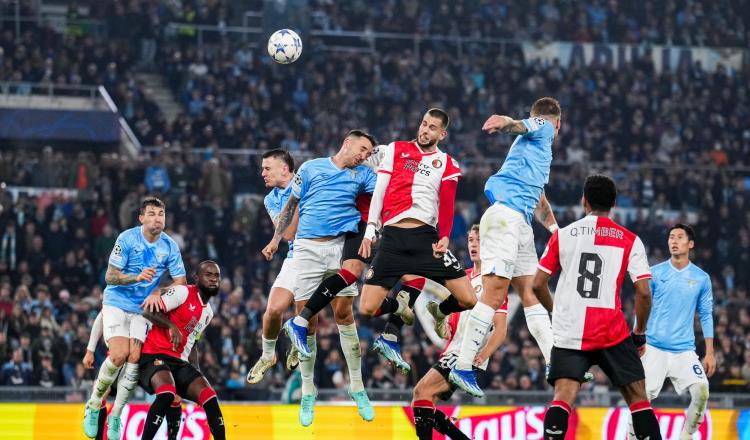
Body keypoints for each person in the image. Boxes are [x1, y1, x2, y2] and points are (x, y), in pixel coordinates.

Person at [446, 97, 561, 397]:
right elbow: (521, 124)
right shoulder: (545, 128)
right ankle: (463, 365)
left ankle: (554, 361)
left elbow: (539, 201)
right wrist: (505, 121)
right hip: (504, 217)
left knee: (531, 292)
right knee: (495, 295)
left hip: (519, 221)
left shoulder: (533, 161)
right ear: (557, 123)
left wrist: (555, 231)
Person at [532, 174, 661, 440]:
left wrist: (557, 312)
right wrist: (639, 332)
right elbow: (644, 293)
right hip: (611, 331)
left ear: (584, 201)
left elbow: (537, 284)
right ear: (613, 202)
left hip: (571, 332)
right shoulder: (630, 240)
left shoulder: (563, 236)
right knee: (638, 398)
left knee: (563, 397)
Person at [263, 130, 377, 426]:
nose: (365, 155)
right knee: (307, 321)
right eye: (363, 149)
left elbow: (385, 191)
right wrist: (276, 239)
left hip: (341, 247)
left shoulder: (363, 174)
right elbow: (290, 207)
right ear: (347, 143)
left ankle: (357, 386)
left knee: (343, 314)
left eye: (369, 152)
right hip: (308, 249)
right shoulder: (311, 168)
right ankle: (307, 390)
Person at [357, 108, 477, 355]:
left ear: (442, 134)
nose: (424, 130)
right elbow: (379, 189)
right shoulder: (395, 149)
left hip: (427, 241)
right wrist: (370, 229)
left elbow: (447, 202)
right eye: (423, 124)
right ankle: (400, 307)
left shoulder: (447, 163)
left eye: (432, 127)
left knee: (469, 299)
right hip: (392, 239)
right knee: (366, 308)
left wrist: (444, 236)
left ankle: (439, 311)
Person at [83, 196, 186, 439]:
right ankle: (94, 404)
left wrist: (160, 290)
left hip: (142, 310)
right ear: (141, 218)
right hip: (117, 302)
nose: (157, 218)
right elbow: (110, 276)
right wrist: (136, 278)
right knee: (118, 355)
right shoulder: (127, 239)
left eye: (160, 214)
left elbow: (181, 283)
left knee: (135, 358)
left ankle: (116, 414)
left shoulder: (170, 246)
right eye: (151, 214)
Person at [410, 224, 508, 439]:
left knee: (421, 392)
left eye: (479, 240)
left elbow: (501, 329)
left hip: (468, 355)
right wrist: (443, 326)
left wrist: (483, 356)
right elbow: (452, 327)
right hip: (453, 349)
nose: (473, 244)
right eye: (471, 240)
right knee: (424, 401)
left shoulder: (494, 281)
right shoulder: (463, 278)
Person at [627, 224, 715, 440]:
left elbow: (705, 314)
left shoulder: (701, 278)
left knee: (702, 390)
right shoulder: (655, 273)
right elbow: (641, 306)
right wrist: (635, 338)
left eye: (679, 237)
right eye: (670, 237)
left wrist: (710, 352)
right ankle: (630, 437)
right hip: (653, 347)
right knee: (640, 398)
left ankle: (685, 436)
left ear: (690, 244)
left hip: (684, 351)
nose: (673, 241)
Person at [138, 260, 224, 440]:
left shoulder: (208, 312)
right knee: (167, 393)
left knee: (210, 397)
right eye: (208, 275)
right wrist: (171, 326)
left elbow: (192, 343)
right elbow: (148, 310)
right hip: (154, 354)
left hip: (179, 362)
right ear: (197, 278)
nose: (214, 279)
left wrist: (195, 373)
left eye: (216, 276)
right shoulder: (183, 292)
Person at [84, 312, 183, 440]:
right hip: (120, 358)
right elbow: (102, 316)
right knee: (101, 389)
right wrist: (90, 350)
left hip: (147, 359)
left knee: (174, 394)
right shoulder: (121, 296)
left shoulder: (156, 300)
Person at [247, 149, 300, 383]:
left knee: (306, 315)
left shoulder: (307, 180)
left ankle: (300, 349)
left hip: (323, 253)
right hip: (295, 254)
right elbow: (288, 232)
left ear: (285, 169)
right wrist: (276, 240)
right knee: (273, 310)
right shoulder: (271, 199)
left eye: (267, 168)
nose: (262, 173)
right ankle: (268, 355)